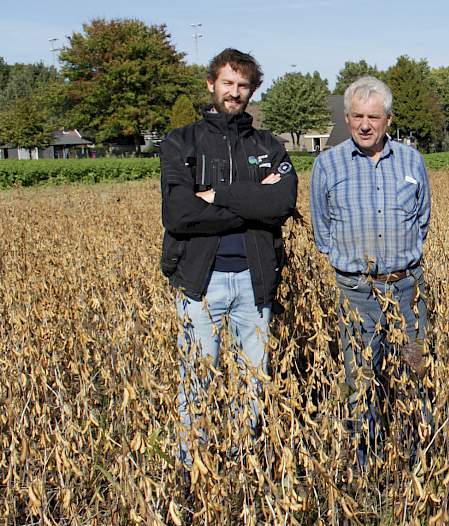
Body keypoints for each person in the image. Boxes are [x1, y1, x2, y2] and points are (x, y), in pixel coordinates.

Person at [159, 48, 298, 466]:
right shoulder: (180, 142)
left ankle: (243, 466)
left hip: (255, 282)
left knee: (252, 385)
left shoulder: (268, 144)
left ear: (252, 90)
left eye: (243, 85)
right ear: (211, 84)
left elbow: (281, 205)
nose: (234, 92)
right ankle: (192, 468)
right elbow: (180, 215)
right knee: (196, 382)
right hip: (200, 282)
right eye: (228, 83)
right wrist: (253, 199)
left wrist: (217, 195)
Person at [309, 76, 432, 464]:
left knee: (414, 367)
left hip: (407, 290)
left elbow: (422, 218)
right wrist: (351, 268)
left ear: (388, 120)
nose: (365, 124)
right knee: (360, 375)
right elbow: (322, 228)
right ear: (347, 119)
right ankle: (367, 462)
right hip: (355, 293)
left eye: (373, 117)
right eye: (357, 116)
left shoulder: (412, 161)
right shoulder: (327, 164)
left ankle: (418, 457)